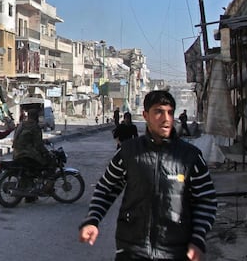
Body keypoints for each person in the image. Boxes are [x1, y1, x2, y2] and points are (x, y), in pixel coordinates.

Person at [78, 90, 217, 261]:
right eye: (158, 112)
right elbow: (106, 189)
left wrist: (197, 238)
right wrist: (93, 220)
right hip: (131, 250)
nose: (166, 118)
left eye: (170, 112)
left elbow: (206, 200)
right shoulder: (129, 153)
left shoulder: (190, 157)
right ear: (145, 115)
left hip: (176, 251)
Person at [12, 108, 55, 196]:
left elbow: (25, 139)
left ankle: (31, 192)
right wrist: (46, 153)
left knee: (32, 170)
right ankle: (46, 187)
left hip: (16, 153)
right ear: (36, 118)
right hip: (27, 154)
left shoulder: (21, 124)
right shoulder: (35, 127)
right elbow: (38, 145)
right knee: (49, 162)